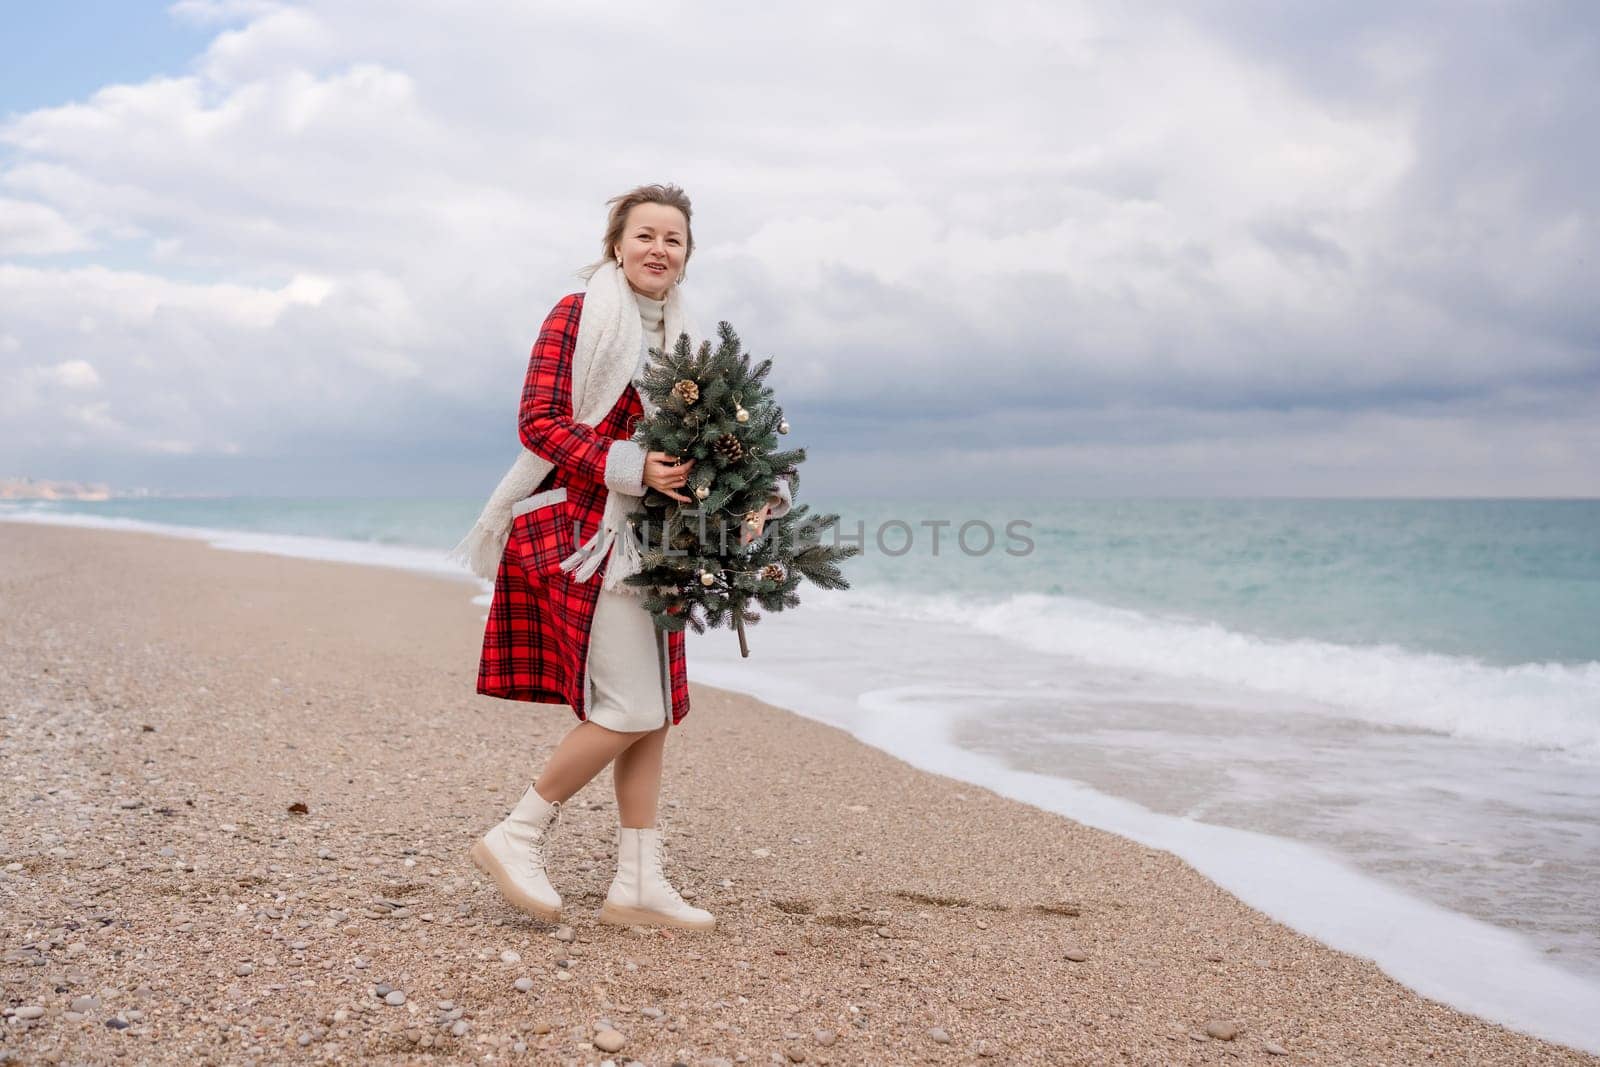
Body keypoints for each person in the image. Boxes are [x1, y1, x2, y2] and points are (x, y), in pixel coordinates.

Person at [460, 183, 792, 932]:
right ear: (618, 244)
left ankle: (638, 883)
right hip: (585, 534)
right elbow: (537, 422)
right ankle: (516, 835)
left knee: (657, 715)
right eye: (645, 234)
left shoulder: (692, 342)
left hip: (664, 547)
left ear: (686, 256)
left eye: (673, 239)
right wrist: (632, 465)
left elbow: (716, 443)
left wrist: (754, 493)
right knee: (630, 706)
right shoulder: (578, 315)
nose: (658, 249)